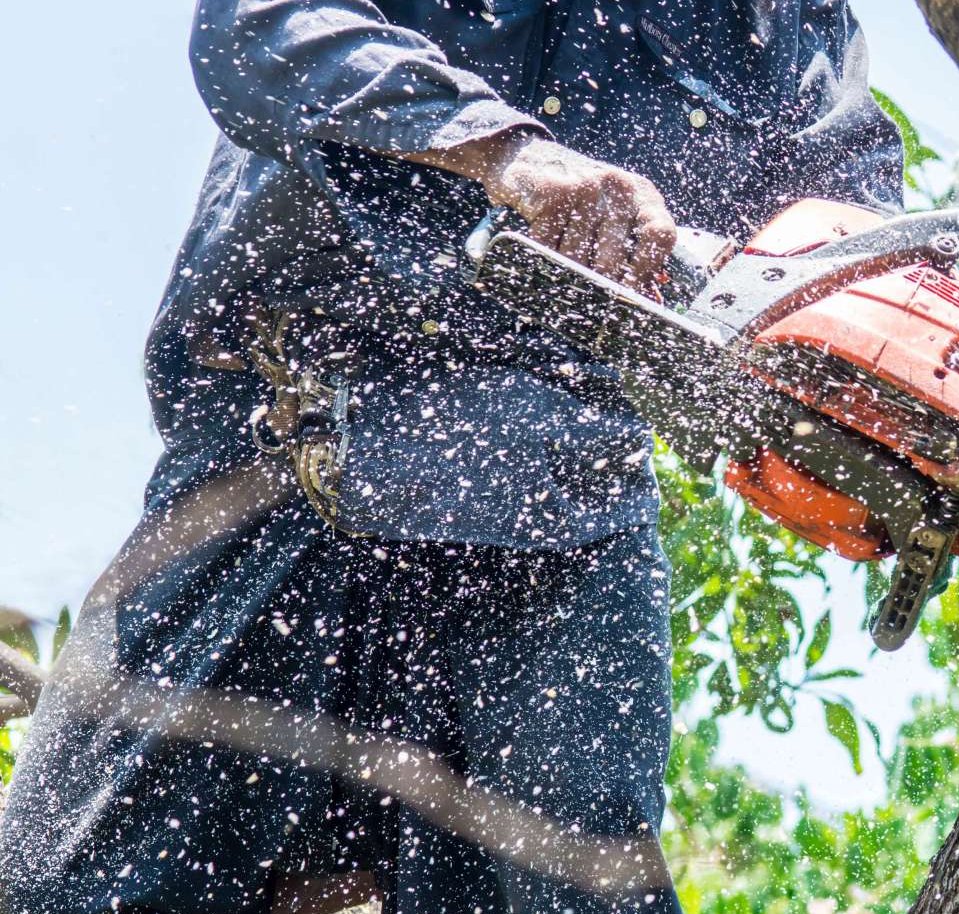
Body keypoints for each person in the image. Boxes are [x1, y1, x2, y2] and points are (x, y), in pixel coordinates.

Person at [0, 2, 909, 912]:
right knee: (76, 887)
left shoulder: (787, 18)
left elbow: (849, 222)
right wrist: (503, 149)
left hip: (568, 505)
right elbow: (258, 29)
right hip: (294, 449)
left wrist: (934, 337)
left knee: (581, 890)